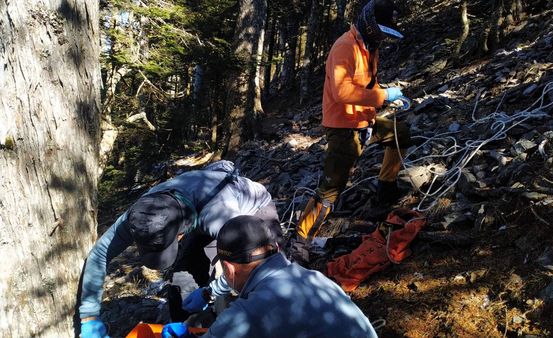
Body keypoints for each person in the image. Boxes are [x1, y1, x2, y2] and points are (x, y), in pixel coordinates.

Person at [78, 160, 282, 338]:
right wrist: (89, 317)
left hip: (252, 213)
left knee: (256, 287)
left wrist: (210, 292)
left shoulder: (220, 215)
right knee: (182, 281)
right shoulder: (139, 215)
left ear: (179, 234)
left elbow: (252, 266)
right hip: (195, 213)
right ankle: (192, 328)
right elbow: (100, 254)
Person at [291, 0, 412, 264]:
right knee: (330, 188)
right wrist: (383, 96)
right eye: (381, 29)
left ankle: (386, 188)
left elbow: (368, 82)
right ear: (369, 23)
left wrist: (387, 96)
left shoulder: (370, 46)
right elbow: (342, 92)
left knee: (399, 133)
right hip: (342, 127)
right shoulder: (345, 46)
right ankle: (300, 242)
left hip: (364, 120)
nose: (383, 35)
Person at [162, 215, 378, 338]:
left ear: (228, 268)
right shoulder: (315, 278)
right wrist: (210, 292)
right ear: (274, 247)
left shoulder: (248, 312)